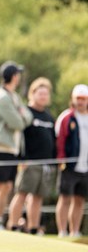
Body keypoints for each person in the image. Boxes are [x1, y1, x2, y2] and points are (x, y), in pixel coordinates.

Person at [0, 61, 33, 229]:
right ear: (13, 76)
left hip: (13, 148)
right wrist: (20, 117)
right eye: (17, 74)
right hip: (1, 146)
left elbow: (27, 117)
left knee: (7, 186)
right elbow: (18, 122)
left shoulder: (14, 97)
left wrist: (21, 117)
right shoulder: (1, 97)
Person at [6, 77, 56, 234]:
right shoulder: (27, 114)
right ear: (32, 94)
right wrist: (22, 159)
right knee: (21, 194)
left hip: (46, 164)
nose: (43, 96)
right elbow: (18, 137)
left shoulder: (49, 117)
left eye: (46, 94)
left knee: (37, 197)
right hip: (29, 162)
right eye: (40, 93)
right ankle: (13, 225)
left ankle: (33, 228)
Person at [55, 83, 88, 238]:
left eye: (84, 98)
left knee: (80, 200)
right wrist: (61, 160)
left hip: (86, 167)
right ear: (73, 99)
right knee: (65, 198)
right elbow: (60, 140)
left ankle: (75, 231)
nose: (81, 101)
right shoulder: (66, 117)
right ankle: (62, 231)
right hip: (69, 166)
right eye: (78, 98)